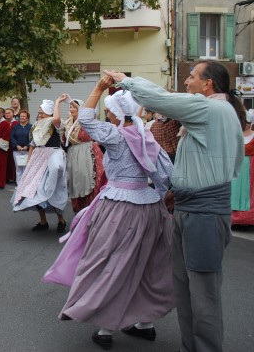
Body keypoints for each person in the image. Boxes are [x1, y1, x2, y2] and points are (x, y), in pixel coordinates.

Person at [105, 61, 244, 352]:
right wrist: (176, 191)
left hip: (203, 213)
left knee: (202, 292)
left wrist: (124, 80)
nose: (187, 82)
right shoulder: (214, 111)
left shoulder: (211, 108)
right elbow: (201, 162)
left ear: (208, 84)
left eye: (192, 77)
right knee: (185, 287)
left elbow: (161, 99)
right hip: (190, 207)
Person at [44, 78, 174, 350]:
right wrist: (158, 198)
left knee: (109, 262)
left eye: (110, 109)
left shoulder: (117, 136)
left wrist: (98, 88)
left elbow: (86, 120)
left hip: (119, 207)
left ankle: (105, 328)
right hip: (149, 206)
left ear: (115, 112)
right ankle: (145, 324)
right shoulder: (146, 136)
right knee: (145, 262)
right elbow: (165, 176)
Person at [11, 99, 68, 233]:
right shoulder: (36, 125)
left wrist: (58, 102)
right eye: (39, 112)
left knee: (52, 189)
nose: (40, 115)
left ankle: (61, 220)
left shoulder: (54, 123)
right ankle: (43, 221)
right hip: (38, 158)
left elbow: (57, 118)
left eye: (42, 112)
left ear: (49, 113)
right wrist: (29, 163)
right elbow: (32, 144)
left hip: (52, 156)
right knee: (34, 190)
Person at [59, 98, 106, 213]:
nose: (72, 109)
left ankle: (92, 211)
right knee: (76, 183)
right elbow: (65, 141)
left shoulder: (85, 121)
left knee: (89, 180)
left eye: (74, 107)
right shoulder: (68, 123)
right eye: (70, 107)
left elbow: (86, 114)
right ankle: (80, 211)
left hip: (87, 152)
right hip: (73, 153)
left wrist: (71, 101)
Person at [231, 109, 254, 226]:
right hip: (234, 167)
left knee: (248, 193)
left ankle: (247, 218)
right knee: (233, 191)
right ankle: (233, 218)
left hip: (250, 169)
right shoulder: (234, 135)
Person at [9, 110, 32, 184]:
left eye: (24, 116)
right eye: (21, 116)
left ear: (27, 118)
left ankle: (25, 184)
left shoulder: (31, 127)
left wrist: (27, 146)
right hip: (17, 151)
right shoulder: (15, 127)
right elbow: (12, 137)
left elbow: (33, 138)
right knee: (18, 167)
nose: (22, 117)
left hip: (28, 151)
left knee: (26, 168)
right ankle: (19, 183)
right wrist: (16, 145)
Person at [4, 108, 18, 183]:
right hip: (4, 144)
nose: (7, 114)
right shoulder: (2, 122)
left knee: (13, 161)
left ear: (13, 114)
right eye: (6, 113)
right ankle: (6, 177)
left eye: (9, 113)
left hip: (13, 145)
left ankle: (14, 177)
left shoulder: (16, 123)